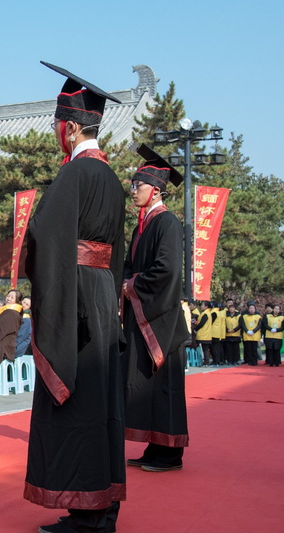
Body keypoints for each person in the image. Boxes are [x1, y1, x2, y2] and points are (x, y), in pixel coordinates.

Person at [24, 62, 126, 533]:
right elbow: (117, 251)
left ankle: (86, 512)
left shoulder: (75, 175)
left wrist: (57, 310)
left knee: (78, 401)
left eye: (55, 125)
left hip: (80, 296)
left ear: (69, 127)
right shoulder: (112, 178)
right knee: (99, 401)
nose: (55, 132)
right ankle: (103, 504)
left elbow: (45, 238)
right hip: (102, 292)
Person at [121, 145, 191, 473]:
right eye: (133, 185)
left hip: (162, 320)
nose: (133, 190)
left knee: (165, 388)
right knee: (148, 386)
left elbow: (167, 272)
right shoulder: (141, 226)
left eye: (138, 185)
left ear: (157, 190)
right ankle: (154, 446)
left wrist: (131, 286)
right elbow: (128, 265)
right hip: (143, 315)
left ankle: (170, 454)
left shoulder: (168, 224)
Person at [0, 289, 23, 376]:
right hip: (2, 341)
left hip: (3, 345)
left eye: (12, 297)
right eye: (8, 296)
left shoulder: (12, 313)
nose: (8, 299)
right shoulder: (5, 310)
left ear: (17, 301)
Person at [194, 301, 213, 365]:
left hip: (204, 334)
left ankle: (206, 361)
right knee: (205, 349)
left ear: (206, 306)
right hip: (206, 334)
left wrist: (195, 329)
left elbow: (201, 323)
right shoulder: (207, 313)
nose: (201, 306)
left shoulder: (205, 314)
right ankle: (206, 361)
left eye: (202, 305)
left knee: (205, 349)